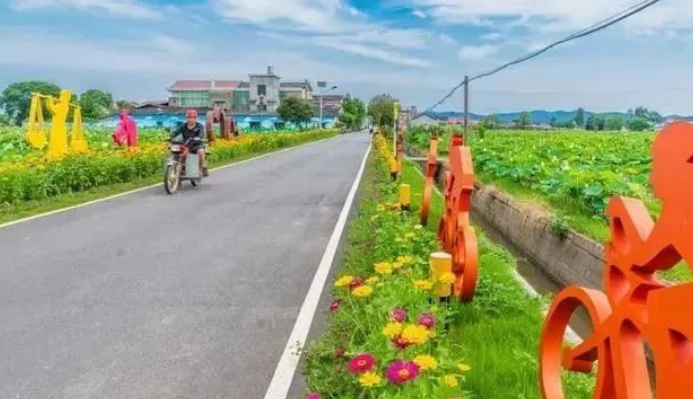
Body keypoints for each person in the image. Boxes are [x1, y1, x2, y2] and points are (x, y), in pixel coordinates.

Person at [171, 109, 208, 177]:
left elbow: (201, 134)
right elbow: (176, 132)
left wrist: (198, 138)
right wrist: (170, 136)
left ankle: (200, 170)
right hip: (186, 145)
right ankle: (178, 169)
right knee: (178, 154)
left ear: (195, 118)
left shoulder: (199, 126)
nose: (190, 119)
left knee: (201, 152)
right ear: (186, 118)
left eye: (192, 117)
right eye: (189, 117)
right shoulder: (183, 126)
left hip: (197, 145)